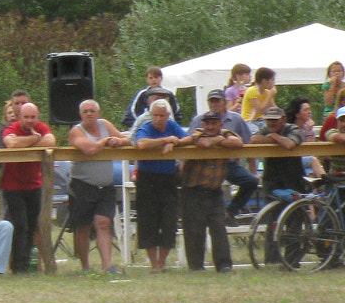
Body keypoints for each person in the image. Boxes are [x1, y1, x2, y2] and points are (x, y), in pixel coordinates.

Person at [67, 99, 130, 274]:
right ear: (80, 115)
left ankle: (107, 266)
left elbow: (126, 139)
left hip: (106, 185)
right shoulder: (76, 131)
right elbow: (90, 149)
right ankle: (85, 267)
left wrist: (118, 142)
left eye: (92, 110)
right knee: (83, 226)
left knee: (103, 223)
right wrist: (106, 141)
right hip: (82, 185)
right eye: (85, 111)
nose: (89, 114)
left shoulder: (105, 125)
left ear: (99, 112)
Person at [178, 110, 242, 272]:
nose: (210, 126)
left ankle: (224, 264)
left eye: (214, 123)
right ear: (203, 125)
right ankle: (196, 266)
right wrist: (220, 140)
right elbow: (203, 144)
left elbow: (238, 143)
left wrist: (219, 139)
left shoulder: (226, 133)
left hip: (215, 191)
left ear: (220, 124)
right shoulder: (198, 134)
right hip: (193, 190)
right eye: (207, 123)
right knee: (194, 230)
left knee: (219, 227)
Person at [0, 101, 56, 273]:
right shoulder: (11, 128)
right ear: (19, 117)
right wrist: (35, 138)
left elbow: (51, 141)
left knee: (32, 226)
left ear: (38, 117)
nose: (30, 121)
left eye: (33, 117)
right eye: (26, 117)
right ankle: (18, 266)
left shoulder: (42, 127)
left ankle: (28, 265)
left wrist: (30, 141)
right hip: (12, 186)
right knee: (20, 226)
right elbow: (11, 143)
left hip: (34, 185)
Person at [132, 98, 187, 272]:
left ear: (167, 115)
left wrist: (174, 142)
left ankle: (162, 262)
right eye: (155, 115)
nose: (157, 119)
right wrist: (165, 140)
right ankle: (154, 263)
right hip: (147, 179)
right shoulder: (146, 127)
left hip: (169, 178)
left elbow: (189, 138)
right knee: (148, 220)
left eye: (161, 116)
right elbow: (141, 144)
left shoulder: (172, 126)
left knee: (169, 219)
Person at [201, 88, 258, 219]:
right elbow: (190, 140)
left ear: (225, 102)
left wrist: (253, 169)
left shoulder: (236, 119)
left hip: (228, 164)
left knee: (251, 181)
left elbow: (248, 143)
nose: (214, 104)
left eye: (217, 101)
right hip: (206, 164)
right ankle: (209, 216)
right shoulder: (201, 119)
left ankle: (230, 212)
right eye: (212, 102)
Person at [249, 104, 307, 204]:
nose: (271, 123)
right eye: (269, 120)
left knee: (296, 213)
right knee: (270, 214)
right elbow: (253, 139)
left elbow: (290, 144)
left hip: (292, 179)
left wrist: (274, 136)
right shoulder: (265, 129)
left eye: (275, 120)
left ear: (284, 120)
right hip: (271, 179)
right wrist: (277, 140)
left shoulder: (293, 129)